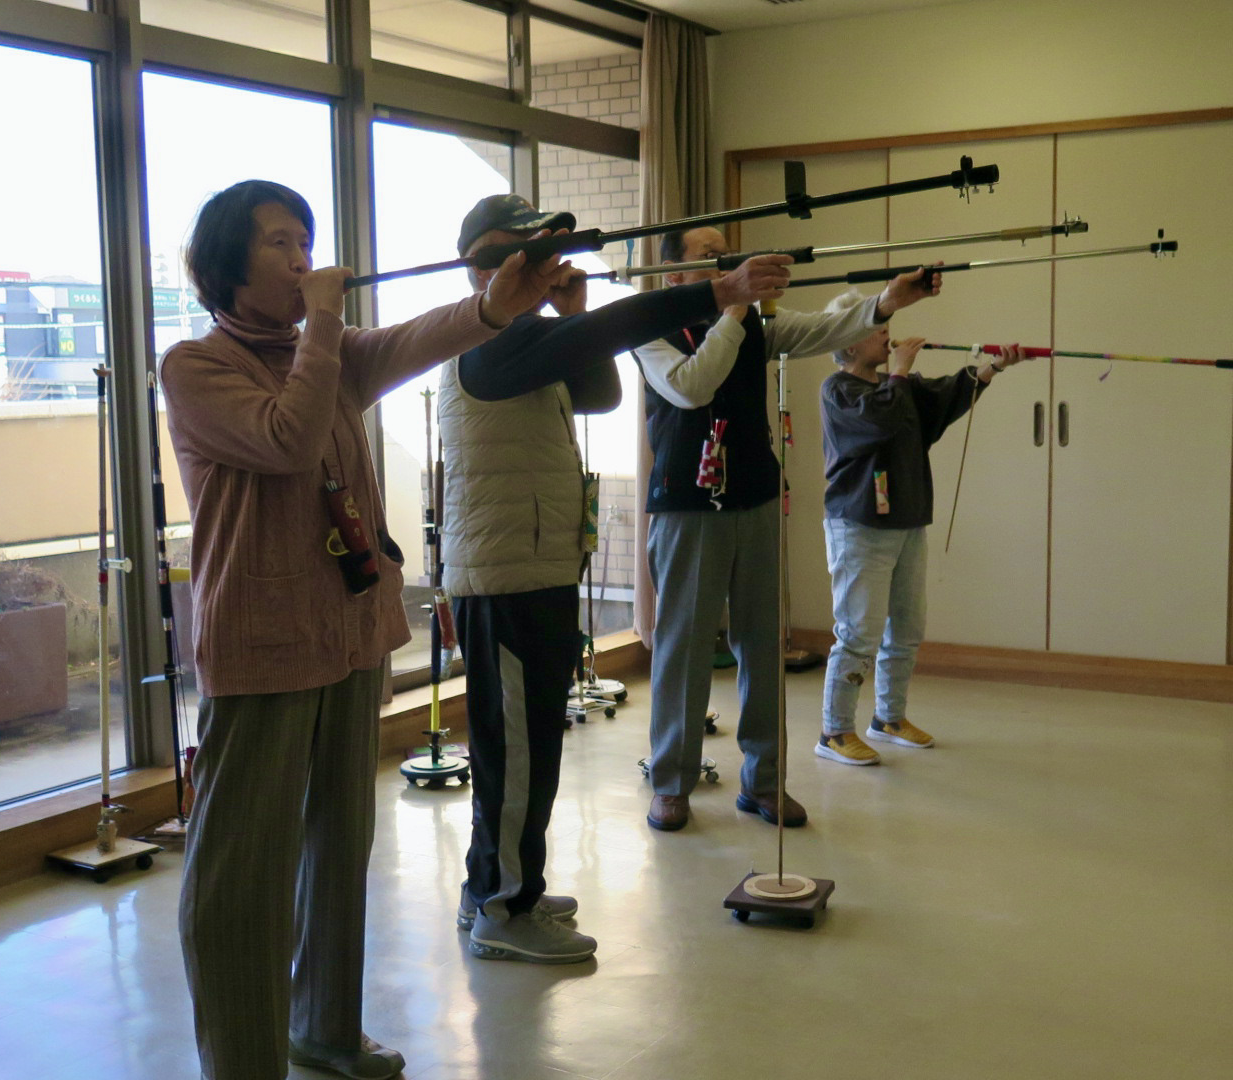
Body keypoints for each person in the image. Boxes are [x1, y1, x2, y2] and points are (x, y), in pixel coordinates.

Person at [162, 179, 568, 1080]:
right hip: (263, 648)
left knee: (340, 847)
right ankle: (244, 1063)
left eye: (304, 238)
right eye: (278, 241)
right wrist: (319, 324)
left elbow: (418, 339)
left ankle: (325, 1029)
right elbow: (289, 439)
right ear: (227, 264)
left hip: (348, 632)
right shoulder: (195, 367)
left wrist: (494, 306)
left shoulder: (331, 351)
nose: (301, 256)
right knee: (242, 875)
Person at [439, 196, 791, 962]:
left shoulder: (527, 339)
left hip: (534, 566)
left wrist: (573, 312)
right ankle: (503, 909)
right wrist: (717, 292)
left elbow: (599, 391)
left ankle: (497, 886)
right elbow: (608, 338)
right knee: (517, 755)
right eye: (524, 253)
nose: (540, 266)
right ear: (486, 264)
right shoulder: (487, 338)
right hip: (502, 576)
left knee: (529, 748)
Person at [632, 225, 942, 832]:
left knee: (763, 644)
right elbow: (692, 387)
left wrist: (886, 303)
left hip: (755, 497)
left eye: (729, 251)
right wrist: (735, 306)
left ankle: (765, 779)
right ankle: (671, 783)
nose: (727, 260)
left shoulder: (756, 323)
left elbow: (823, 330)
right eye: (710, 255)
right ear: (674, 274)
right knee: (683, 651)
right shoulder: (651, 329)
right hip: (686, 506)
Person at [815, 309, 1029, 764]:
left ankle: (889, 718)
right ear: (848, 343)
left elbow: (943, 397)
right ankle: (834, 731)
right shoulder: (837, 390)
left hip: (907, 520)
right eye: (874, 329)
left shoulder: (899, 386)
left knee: (906, 628)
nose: (886, 332)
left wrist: (993, 367)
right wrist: (900, 371)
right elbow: (879, 422)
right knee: (858, 633)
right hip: (859, 524)